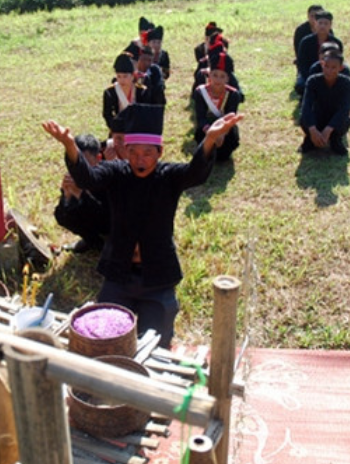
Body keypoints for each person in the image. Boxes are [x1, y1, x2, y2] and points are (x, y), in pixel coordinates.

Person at [42, 104, 244, 347]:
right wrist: (70, 146)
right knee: (106, 336)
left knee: (158, 342)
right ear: (126, 151)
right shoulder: (117, 173)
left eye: (148, 153)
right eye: (134, 153)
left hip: (157, 276)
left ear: (160, 152)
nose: (140, 160)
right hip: (119, 273)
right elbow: (88, 178)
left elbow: (195, 173)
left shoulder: (168, 176)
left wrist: (210, 139)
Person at [55, 134, 110, 253]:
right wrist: (67, 197)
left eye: (85, 164)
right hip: (96, 220)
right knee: (70, 215)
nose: (81, 169)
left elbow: (107, 217)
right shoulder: (73, 175)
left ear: (99, 158)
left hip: (116, 226)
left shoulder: (109, 174)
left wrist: (82, 194)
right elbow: (61, 217)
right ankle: (92, 242)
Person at [299, 51, 350, 155]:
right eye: (326, 66)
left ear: (340, 68)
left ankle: (335, 140)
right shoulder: (313, 80)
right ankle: (311, 139)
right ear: (322, 65)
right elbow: (306, 106)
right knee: (304, 118)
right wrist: (313, 129)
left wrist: (328, 130)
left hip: (334, 118)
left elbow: (345, 108)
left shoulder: (347, 83)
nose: (329, 70)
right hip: (318, 117)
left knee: (346, 120)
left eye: (333, 67)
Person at [192, 51, 242, 161]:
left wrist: (222, 134)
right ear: (209, 75)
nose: (218, 80)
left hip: (225, 130)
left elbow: (230, 116)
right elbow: (200, 117)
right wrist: (211, 134)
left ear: (228, 79)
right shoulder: (200, 92)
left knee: (223, 155)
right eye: (215, 75)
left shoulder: (233, 95)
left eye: (222, 76)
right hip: (207, 129)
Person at [295, 10, 343, 96]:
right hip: (309, 72)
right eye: (320, 23)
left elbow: (338, 62)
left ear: (330, 25)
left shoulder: (336, 43)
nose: (322, 26)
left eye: (326, 23)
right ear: (315, 24)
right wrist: (310, 78)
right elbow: (301, 63)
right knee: (301, 86)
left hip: (329, 72)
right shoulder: (306, 42)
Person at [103, 52, 151, 134]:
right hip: (118, 130)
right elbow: (107, 114)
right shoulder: (110, 92)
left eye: (125, 76)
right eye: (119, 76)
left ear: (132, 76)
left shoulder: (142, 91)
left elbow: (146, 113)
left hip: (138, 129)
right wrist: (115, 128)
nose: (122, 80)